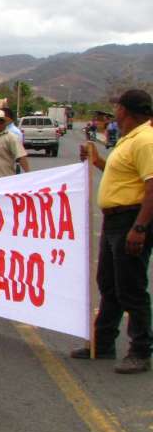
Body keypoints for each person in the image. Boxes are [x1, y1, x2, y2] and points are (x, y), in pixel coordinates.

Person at [73, 89, 153, 374]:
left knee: (131, 288)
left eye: (117, 107)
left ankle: (141, 350)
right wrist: (96, 162)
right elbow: (123, 176)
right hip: (115, 220)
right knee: (109, 283)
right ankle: (103, 343)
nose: (114, 112)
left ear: (127, 111)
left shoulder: (145, 140)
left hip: (131, 219)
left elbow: (151, 186)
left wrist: (140, 228)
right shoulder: (128, 140)